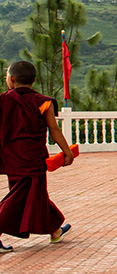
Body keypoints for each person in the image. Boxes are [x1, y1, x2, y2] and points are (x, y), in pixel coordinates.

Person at [0, 61, 72, 248]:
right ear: (33, 80)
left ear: (11, 79)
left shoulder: (3, 100)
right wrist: (67, 152)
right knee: (21, 196)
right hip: (33, 157)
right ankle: (54, 229)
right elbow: (54, 130)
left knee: (34, 194)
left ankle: (54, 230)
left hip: (10, 157)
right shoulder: (43, 102)